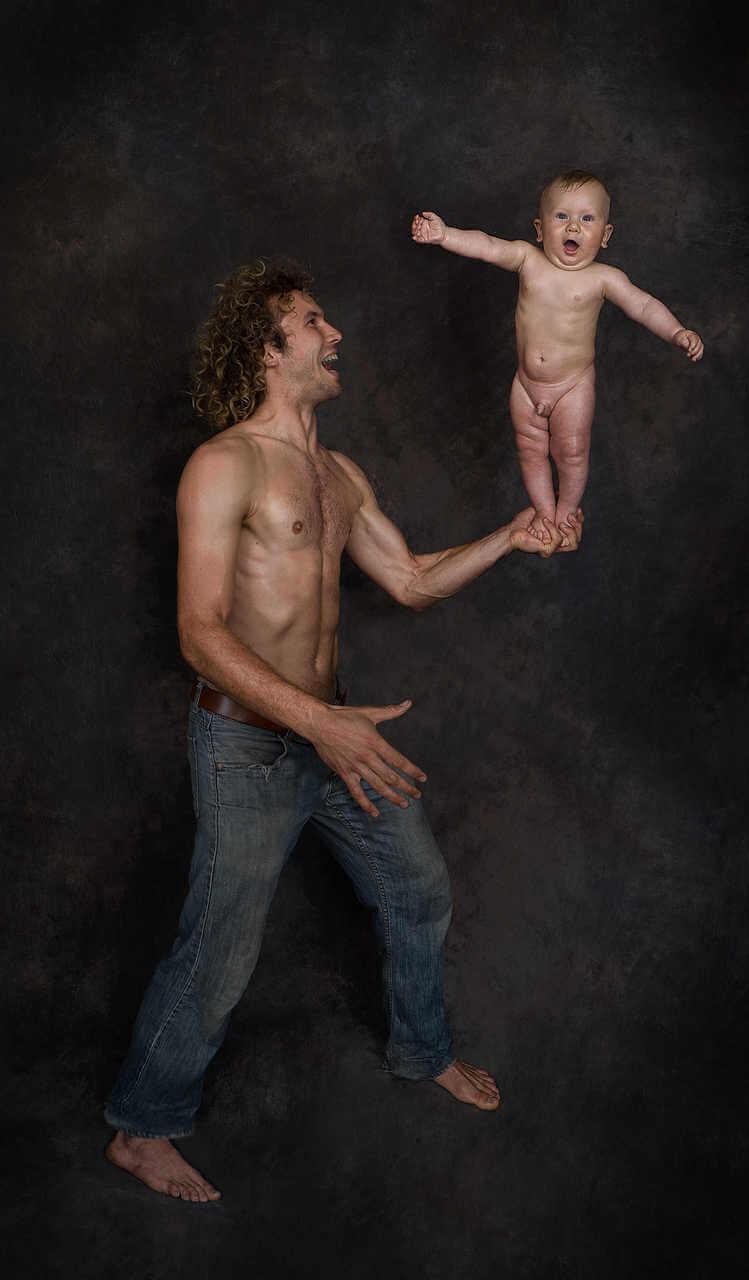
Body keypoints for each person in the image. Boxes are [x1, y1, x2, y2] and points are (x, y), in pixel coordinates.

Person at [104, 258, 583, 1202]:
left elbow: (409, 580)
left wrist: (509, 535)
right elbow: (199, 634)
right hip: (249, 745)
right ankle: (141, 1128)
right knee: (220, 951)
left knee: (418, 889)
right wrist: (320, 723)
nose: (335, 335)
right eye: (314, 322)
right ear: (267, 349)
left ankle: (422, 1052)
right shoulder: (225, 464)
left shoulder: (338, 474)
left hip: (336, 736)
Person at [411, 169, 704, 547]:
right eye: (562, 216)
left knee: (572, 451)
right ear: (540, 228)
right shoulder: (526, 259)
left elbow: (644, 306)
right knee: (530, 448)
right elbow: (488, 245)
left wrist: (677, 332)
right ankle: (544, 512)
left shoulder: (604, 278)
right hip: (526, 384)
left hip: (572, 386)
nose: (574, 227)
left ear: (606, 235)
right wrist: (445, 234)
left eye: (587, 219)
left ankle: (566, 511)